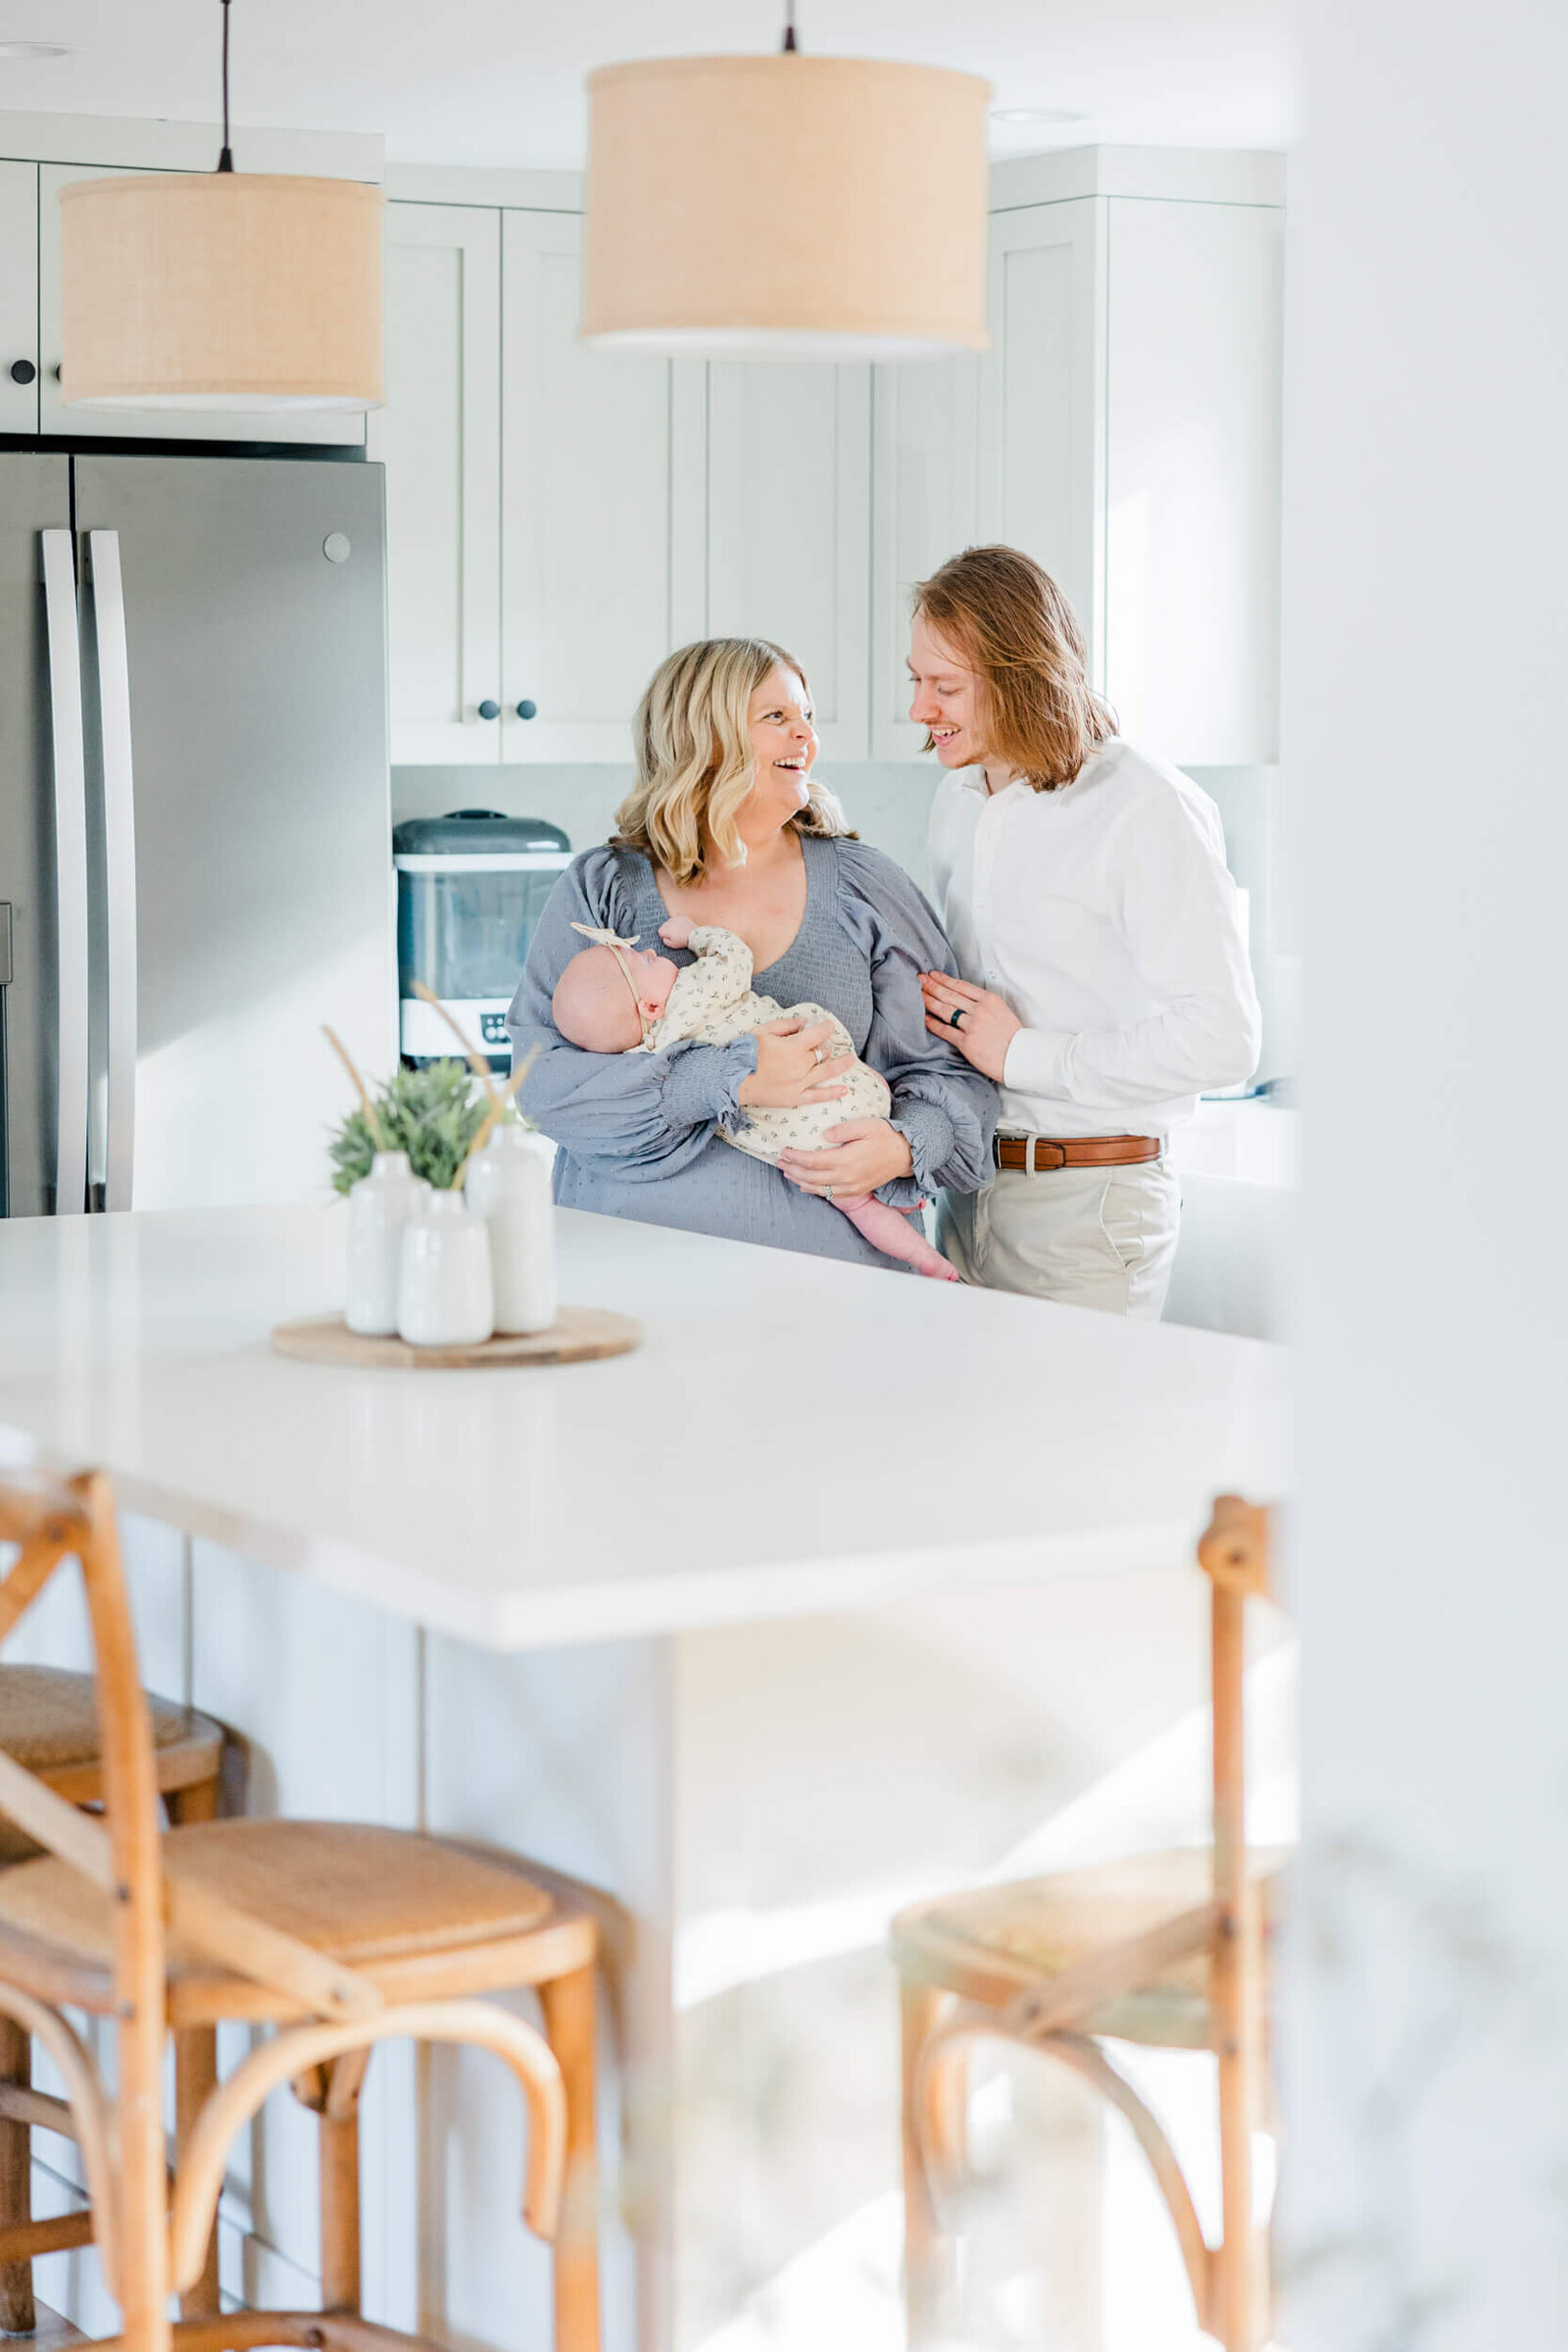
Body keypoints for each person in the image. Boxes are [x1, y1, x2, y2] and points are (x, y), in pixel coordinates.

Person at [507, 636, 996, 1268]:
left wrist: (903, 1146)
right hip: (630, 1281)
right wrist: (727, 1078)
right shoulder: (602, 887)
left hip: (836, 1299)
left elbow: (948, 1069)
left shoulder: (865, 887)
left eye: (808, 718)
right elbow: (544, 1086)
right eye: (777, 718)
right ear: (704, 738)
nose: (807, 738)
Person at [909, 545, 1261, 1317]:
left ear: (1018, 676)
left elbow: (1223, 1038)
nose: (919, 710)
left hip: (1095, 1208)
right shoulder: (957, 805)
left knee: (1076, 1439)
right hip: (967, 1197)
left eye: (945, 687)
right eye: (917, 682)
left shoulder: (1144, 806)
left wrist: (1021, 1053)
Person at [550, 912, 960, 1280]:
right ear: (652, 1005)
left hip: (799, 1148)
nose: (658, 957)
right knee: (843, 1073)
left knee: (856, 1204)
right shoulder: (691, 992)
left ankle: (921, 1255)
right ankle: (897, 1178)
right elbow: (734, 960)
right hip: (841, 1092)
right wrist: (696, 935)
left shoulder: (645, 1056)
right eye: (646, 961)